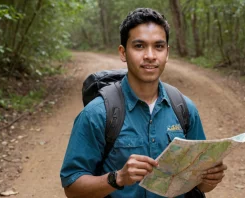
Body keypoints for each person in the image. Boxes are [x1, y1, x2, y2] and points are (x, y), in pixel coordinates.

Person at [60, 8, 227, 198]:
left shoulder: (185, 109)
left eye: (158, 46)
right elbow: (72, 187)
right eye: (139, 46)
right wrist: (118, 178)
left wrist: (209, 180)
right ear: (123, 52)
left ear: (167, 52)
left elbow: (200, 185)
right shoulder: (97, 114)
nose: (150, 55)